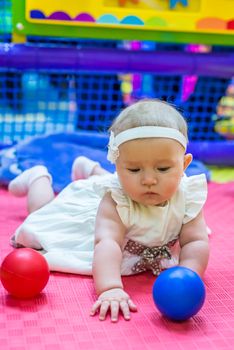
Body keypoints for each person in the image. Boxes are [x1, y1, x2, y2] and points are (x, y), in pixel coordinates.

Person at [8, 99, 209, 322]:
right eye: (133, 169)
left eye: (163, 168)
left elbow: (195, 242)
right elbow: (107, 243)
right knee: (43, 217)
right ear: (118, 167)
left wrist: (188, 275)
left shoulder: (188, 195)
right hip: (90, 225)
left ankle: (92, 170)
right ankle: (38, 177)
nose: (149, 179)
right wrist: (110, 288)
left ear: (184, 164)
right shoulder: (115, 201)